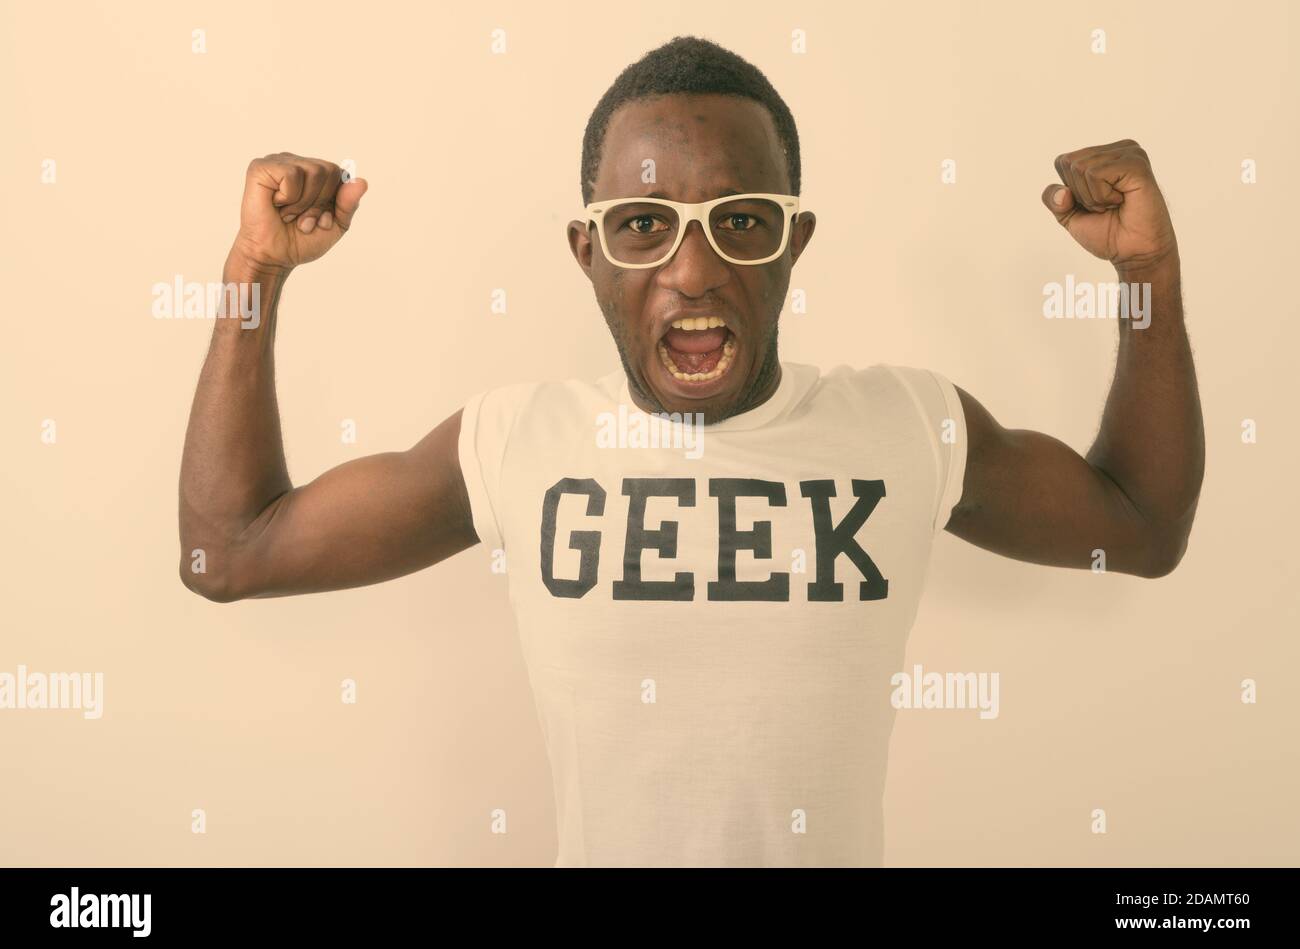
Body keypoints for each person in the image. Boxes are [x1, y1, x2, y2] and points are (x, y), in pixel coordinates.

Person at [178, 35, 1204, 866]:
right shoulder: (514, 442)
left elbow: (1142, 526)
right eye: (643, 225)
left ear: (793, 241)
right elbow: (227, 554)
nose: (695, 268)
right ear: (589, 254)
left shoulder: (907, 426)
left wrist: (1146, 270)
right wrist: (253, 273)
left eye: (742, 221)